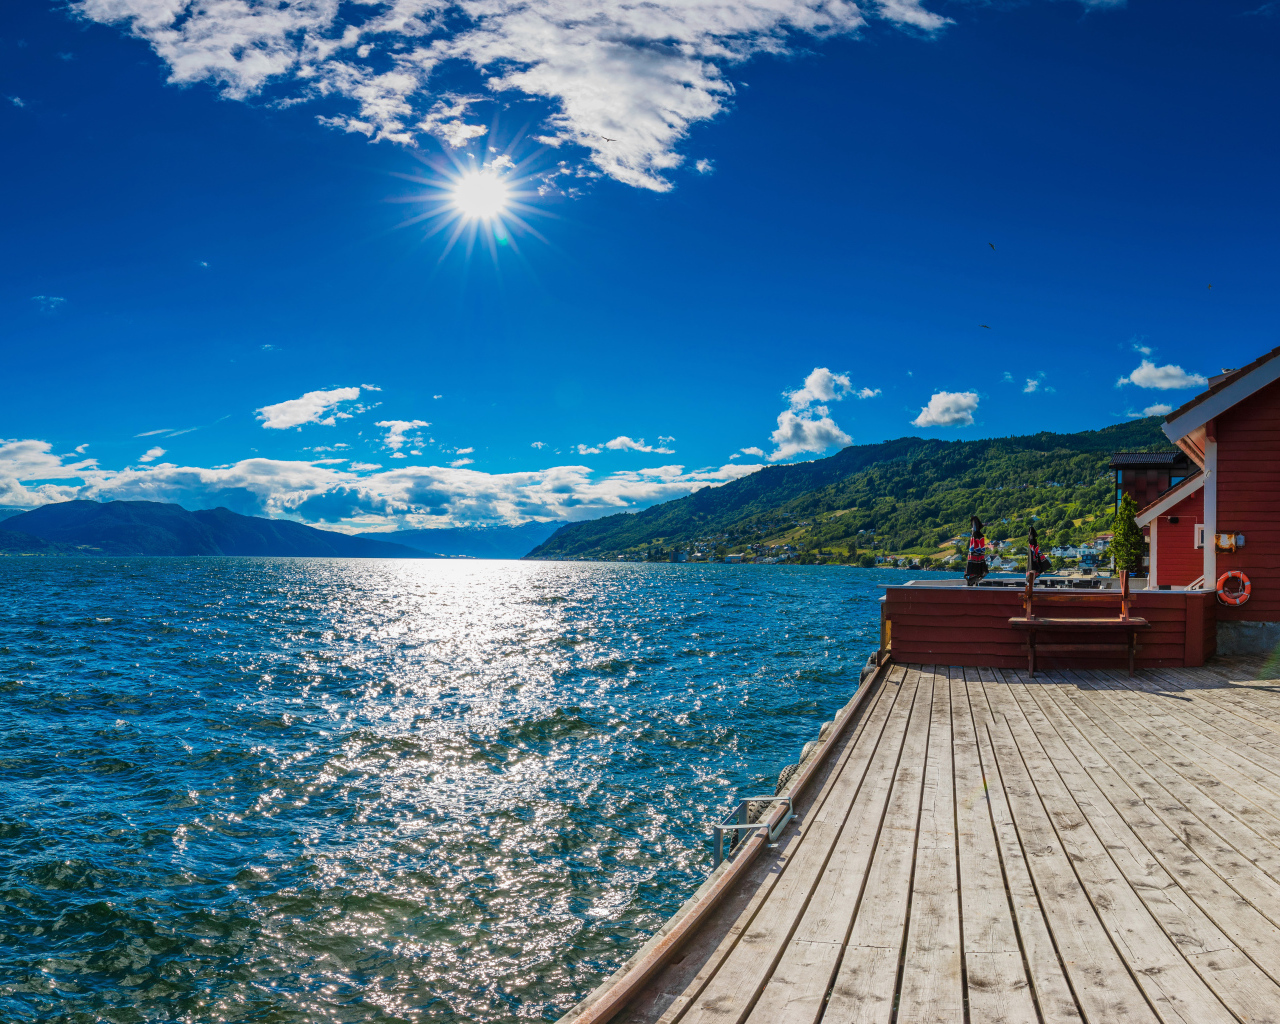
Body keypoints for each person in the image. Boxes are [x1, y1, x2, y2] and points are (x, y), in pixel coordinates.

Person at [964, 516, 988, 587]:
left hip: (974, 556)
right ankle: (974, 581)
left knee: (972, 568)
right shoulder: (980, 537)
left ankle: (972, 581)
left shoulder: (975, 536)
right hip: (978, 557)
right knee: (976, 570)